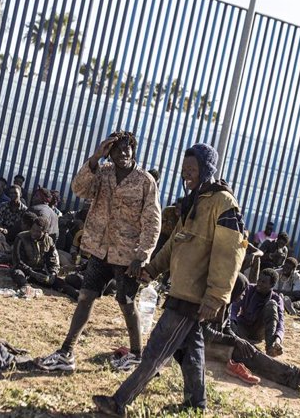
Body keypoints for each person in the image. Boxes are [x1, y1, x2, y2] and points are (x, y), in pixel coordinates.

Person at [92, 142, 247, 416]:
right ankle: (196, 404)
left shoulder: (223, 203)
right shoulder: (195, 201)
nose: (186, 174)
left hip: (194, 295)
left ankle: (120, 402)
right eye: (184, 169)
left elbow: (229, 255)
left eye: (192, 169)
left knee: (156, 350)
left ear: (207, 169)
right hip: (182, 290)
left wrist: (215, 297)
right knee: (191, 350)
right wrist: (152, 270)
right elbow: (175, 244)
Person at [38, 131, 160, 374]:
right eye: (116, 149)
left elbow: (152, 221)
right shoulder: (102, 173)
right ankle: (66, 352)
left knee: (126, 302)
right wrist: (95, 158)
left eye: (127, 148)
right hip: (100, 251)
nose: (123, 153)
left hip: (127, 256)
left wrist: (142, 255)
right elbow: (78, 189)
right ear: (109, 152)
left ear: (134, 150)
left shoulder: (145, 181)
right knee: (85, 297)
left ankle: (136, 355)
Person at [11, 215, 78, 299]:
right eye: (33, 229)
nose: (34, 233)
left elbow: (54, 260)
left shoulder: (49, 241)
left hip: (39, 272)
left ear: (45, 232)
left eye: (38, 231)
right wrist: (32, 273)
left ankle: (77, 295)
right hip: (24, 271)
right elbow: (18, 261)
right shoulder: (21, 237)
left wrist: (53, 274)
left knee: (58, 282)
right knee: (17, 273)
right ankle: (26, 288)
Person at [231, 268, 285, 357]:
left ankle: (270, 347)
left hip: (259, 331)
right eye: (259, 280)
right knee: (231, 324)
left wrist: (278, 340)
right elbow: (234, 307)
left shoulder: (277, 298)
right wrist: (232, 321)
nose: (259, 283)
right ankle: (246, 342)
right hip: (243, 327)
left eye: (263, 282)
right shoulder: (249, 289)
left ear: (272, 285)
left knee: (272, 304)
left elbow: (281, 323)